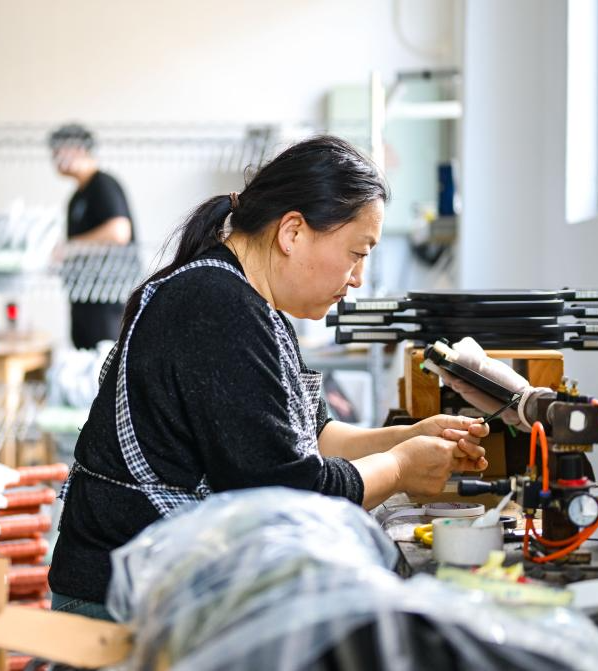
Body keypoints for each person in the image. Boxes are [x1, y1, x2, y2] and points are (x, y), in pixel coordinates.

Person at [48, 136, 490, 620]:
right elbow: (293, 493)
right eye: (356, 253)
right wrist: (400, 468)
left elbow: (314, 439)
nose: (358, 277)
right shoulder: (215, 305)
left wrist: (405, 438)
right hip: (121, 601)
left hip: (168, 586)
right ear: (293, 232)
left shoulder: (256, 306)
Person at [49, 124, 135, 349]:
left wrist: (70, 248)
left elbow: (119, 231)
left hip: (107, 300)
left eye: (58, 149)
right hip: (83, 300)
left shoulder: (103, 184)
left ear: (78, 149)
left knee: (105, 361)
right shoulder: (76, 197)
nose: (54, 157)